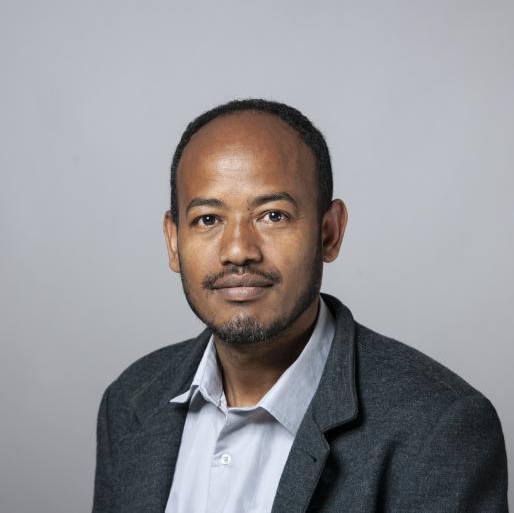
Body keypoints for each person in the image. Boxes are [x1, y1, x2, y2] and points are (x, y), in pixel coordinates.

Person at [92, 99, 509, 513]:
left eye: (273, 215)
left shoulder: (438, 427)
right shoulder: (130, 401)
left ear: (329, 233)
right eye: (208, 219)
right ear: (173, 241)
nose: (238, 250)